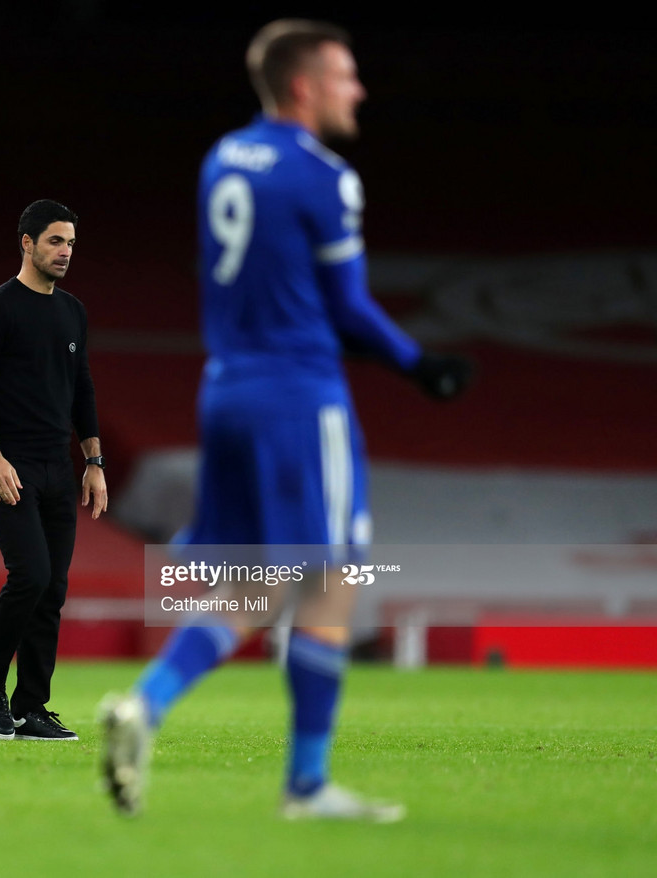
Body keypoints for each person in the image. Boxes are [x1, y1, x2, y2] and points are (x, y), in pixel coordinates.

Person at [99, 19, 472, 821]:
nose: (358, 90)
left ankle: (147, 705)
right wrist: (420, 363)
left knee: (256, 583)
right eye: (346, 75)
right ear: (304, 86)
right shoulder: (325, 176)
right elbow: (347, 307)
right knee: (333, 580)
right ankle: (307, 785)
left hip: (225, 390)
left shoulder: (223, 157)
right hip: (300, 397)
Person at [0, 199, 107, 742]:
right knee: (31, 575)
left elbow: (81, 389)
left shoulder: (73, 312)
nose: (65, 252)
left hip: (58, 469)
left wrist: (93, 461)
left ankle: (33, 706)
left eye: (70, 243)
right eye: (55, 242)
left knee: (53, 589)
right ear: (26, 243)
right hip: (8, 466)